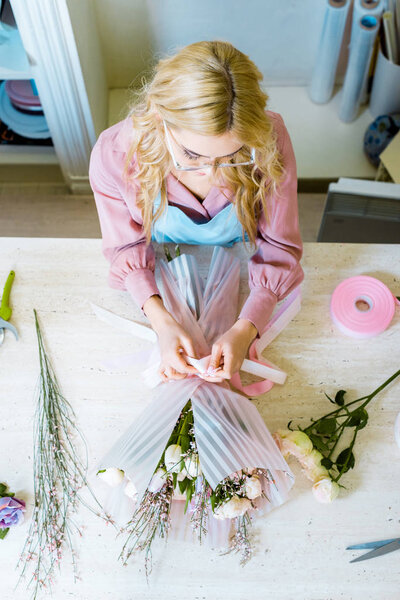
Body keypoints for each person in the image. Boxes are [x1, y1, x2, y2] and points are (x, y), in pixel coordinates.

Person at [88, 40, 304, 385]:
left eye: (233, 157)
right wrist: (161, 321)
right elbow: (124, 248)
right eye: (192, 157)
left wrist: (247, 327)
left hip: (235, 258)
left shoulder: (268, 139)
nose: (215, 174)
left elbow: (281, 247)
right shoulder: (115, 155)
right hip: (164, 264)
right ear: (161, 119)